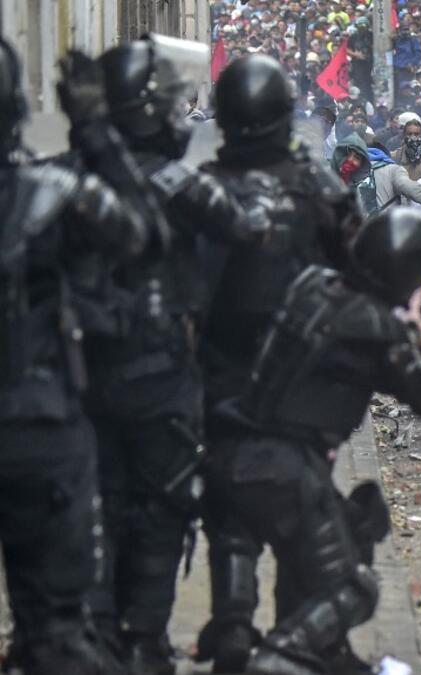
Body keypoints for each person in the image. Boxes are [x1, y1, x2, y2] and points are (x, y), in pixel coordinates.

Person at [204, 208, 421, 675]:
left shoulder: (309, 283)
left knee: (353, 527)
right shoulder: (379, 330)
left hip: (232, 448)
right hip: (284, 467)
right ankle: (277, 658)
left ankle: (312, 654)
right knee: (352, 589)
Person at [83, 40, 268, 675]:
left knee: (98, 509)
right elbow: (249, 228)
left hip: (76, 377)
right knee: (160, 509)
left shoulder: (66, 173)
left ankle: (97, 632)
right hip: (159, 376)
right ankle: (140, 638)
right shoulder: (176, 182)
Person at [196, 54, 363, 675]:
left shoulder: (203, 187)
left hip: (219, 377)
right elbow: (358, 271)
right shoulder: (316, 189)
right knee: (305, 511)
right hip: (299, 383)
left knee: (230, 507)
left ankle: (234, 625)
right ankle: (298, 636)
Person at [0, 42, 160, 675]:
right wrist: (93, 128)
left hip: (46, 421)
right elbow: (144, 235)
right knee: (57, 630)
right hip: (41, 426)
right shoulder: (55, 192)